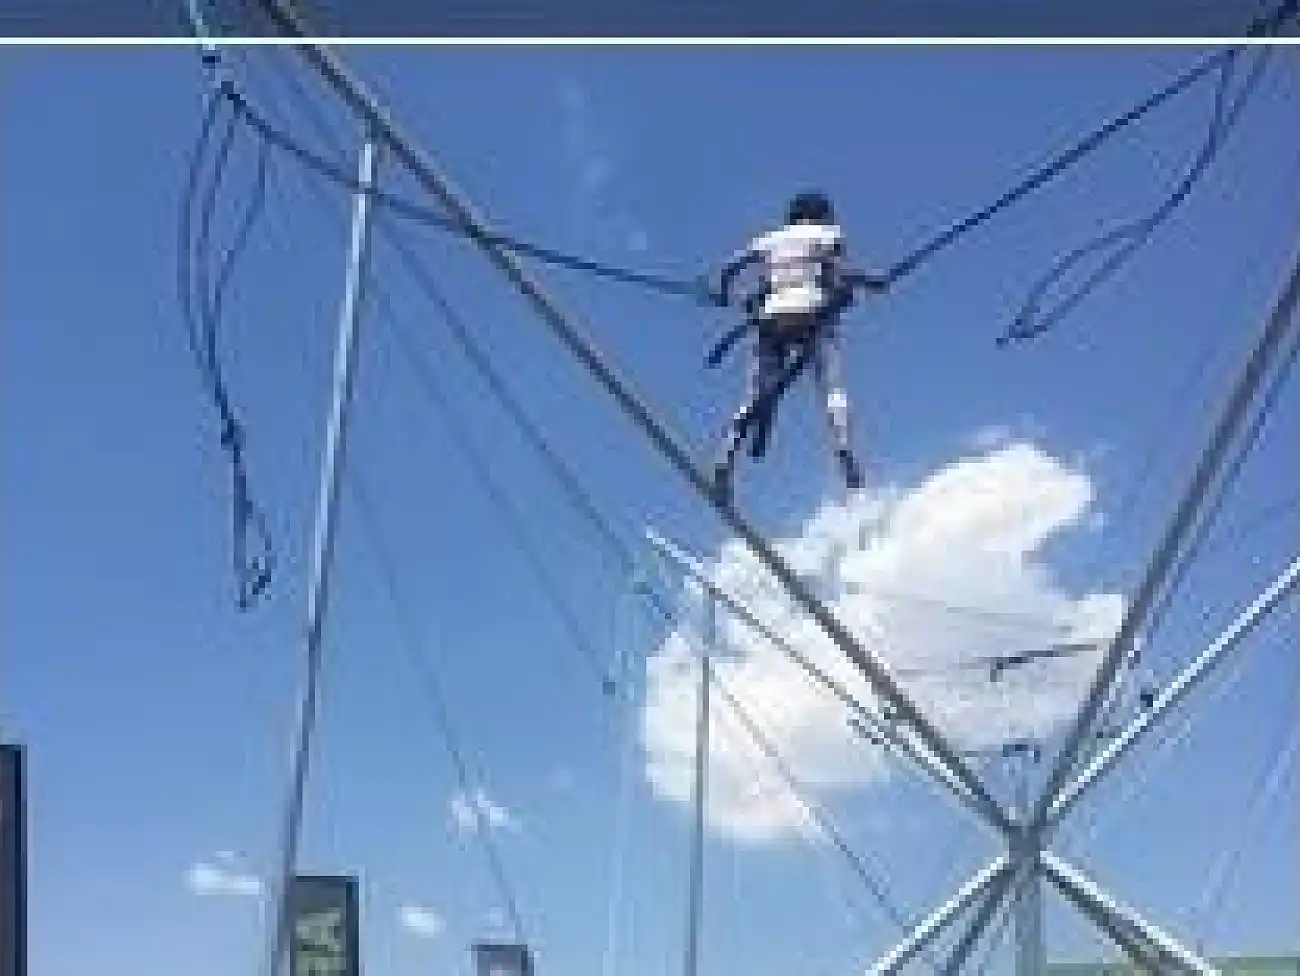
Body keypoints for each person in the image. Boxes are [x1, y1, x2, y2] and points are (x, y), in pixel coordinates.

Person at [708, 191, 887, 505]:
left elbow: (729, 267)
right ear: (822, 215)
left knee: (754, 394)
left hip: (771, 319)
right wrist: (872, 281)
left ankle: (726, 456)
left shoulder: (768, 240)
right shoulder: (829, 235)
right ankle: (843, 446)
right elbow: (839, 274)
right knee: (831, 384)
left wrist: (724, 294)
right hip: (812, 316)